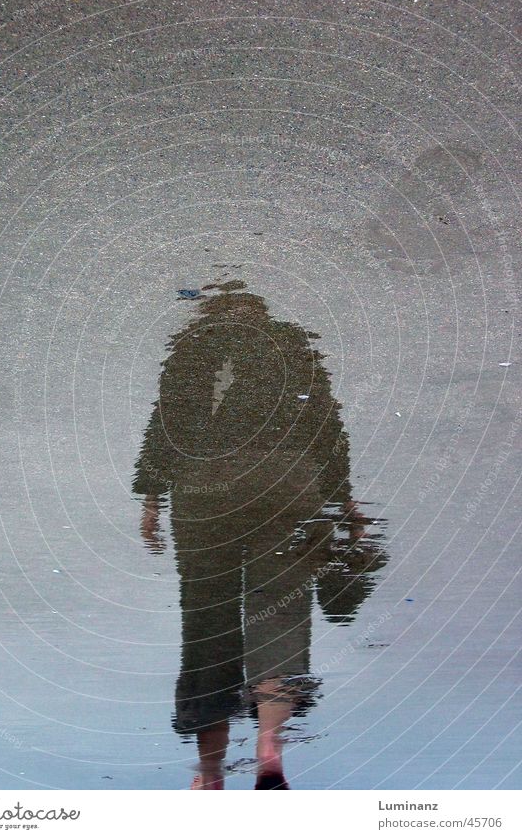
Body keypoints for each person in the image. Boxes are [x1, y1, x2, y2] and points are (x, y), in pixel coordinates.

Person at [133, 281, 385, 789]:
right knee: (282, 602)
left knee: (208, 615)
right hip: (288, 480)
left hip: (205, 487)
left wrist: (152, 496)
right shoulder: (293, 344)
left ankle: (210, 772)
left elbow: (170, 421)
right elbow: (325, 422)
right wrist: (344, 498)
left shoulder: (191, 348)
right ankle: (270, 745)